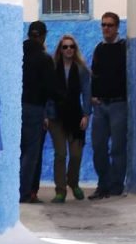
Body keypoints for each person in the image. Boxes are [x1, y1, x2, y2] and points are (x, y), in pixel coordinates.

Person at [47, 34, 92, 203]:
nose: (68, 50)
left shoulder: (81, 70)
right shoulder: (52, 68)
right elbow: (47, 93)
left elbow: (87, 93)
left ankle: (73, 182)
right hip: (56, 116)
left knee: (76, 154)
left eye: (71, 46)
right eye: (65, 47)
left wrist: (86, 114)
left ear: (75, 49)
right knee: (60, 154)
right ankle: (60, 190)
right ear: (60, 49)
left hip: (75, 116)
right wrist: (46, 115)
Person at [89, 12, 127, 199]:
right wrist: (93, 96)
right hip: (100, 105)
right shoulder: (99, 49)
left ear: (117, 27)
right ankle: (103, 184)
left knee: (118, 148)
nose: (106, 28)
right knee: (98, 147)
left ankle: (116, 185)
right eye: (103, 25)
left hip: (118, 104)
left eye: (110, 25)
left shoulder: (123, 48)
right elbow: (94, 74)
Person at [21, 21, 58, 204]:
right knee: (31, 153)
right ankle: (25, 192)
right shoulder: (44, 59)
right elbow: (51, 88)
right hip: (35, 109)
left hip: (16, 108)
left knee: (18, 151)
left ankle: (15, 191)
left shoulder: (17, 54)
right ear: (43, 36)